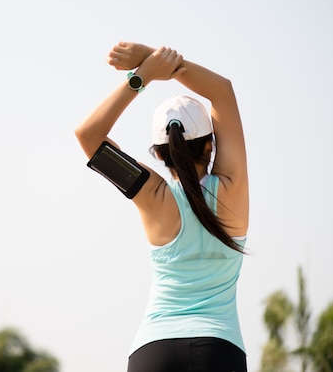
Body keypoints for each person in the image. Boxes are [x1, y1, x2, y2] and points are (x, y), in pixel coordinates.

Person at [75, 42, 249, 371]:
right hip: (219, 349)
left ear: (158, 152)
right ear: (211, 144)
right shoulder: (233, 188)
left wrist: (145, 73)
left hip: (154, 351)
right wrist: (156, 59)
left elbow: (87, 135)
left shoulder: (151, 193)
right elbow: (222, 91)